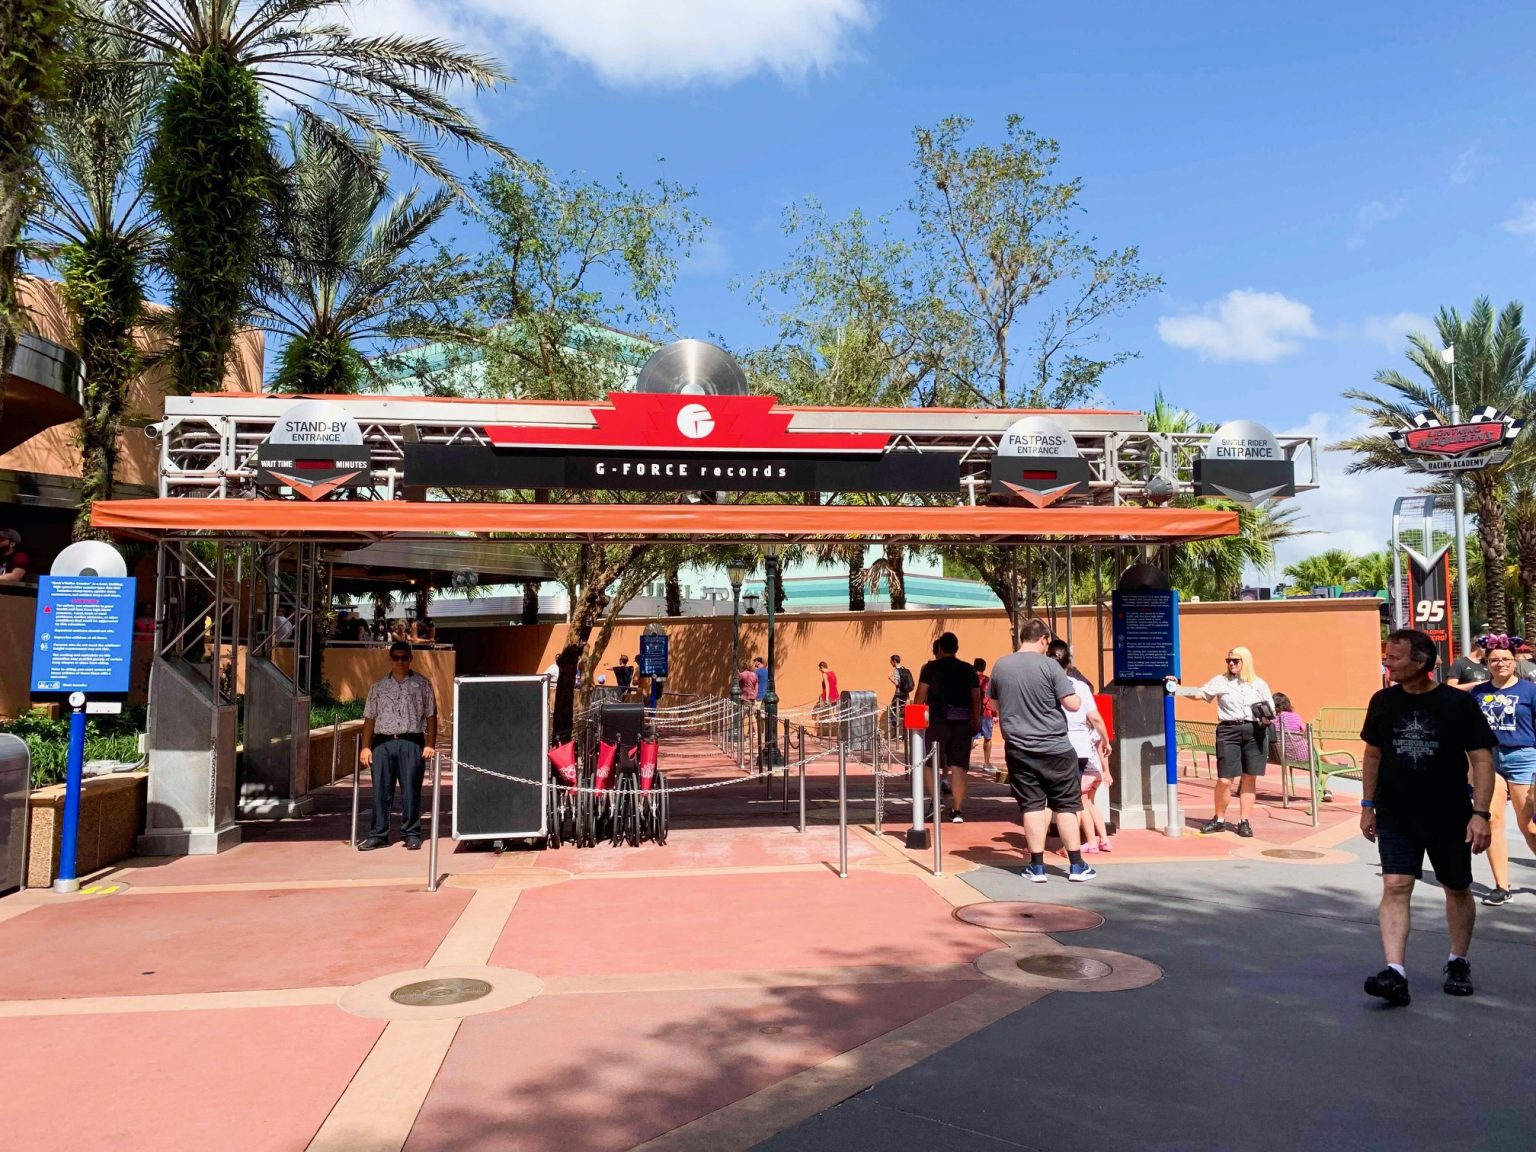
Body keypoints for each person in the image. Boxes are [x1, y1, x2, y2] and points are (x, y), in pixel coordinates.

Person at [1360, 628, 1494, 1006]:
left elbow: (1482, 761)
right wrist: (1367, 805)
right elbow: (1373, 755)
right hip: (1396, 813)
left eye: (1394, 657)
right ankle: (1395, 973)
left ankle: (1457, 960)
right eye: (1386, 656)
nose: (1387, 662)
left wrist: (1480, 814)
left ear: (1421, 662)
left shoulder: (1456, 703)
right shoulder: (1383, 701)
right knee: (1396, 885)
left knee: (1456, 887)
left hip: (1449, 813)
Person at [991, 620, 1092, 881]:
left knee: (1032, 805)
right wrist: (1078, 697)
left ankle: (1036, 867)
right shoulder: (1050, 665)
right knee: (1067, 805)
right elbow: (1071, 704)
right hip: (1056, 747)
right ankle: (1077, 866)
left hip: (1019, 748)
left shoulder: (1001, 665)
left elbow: (992, 704)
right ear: (1045, 639)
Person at [1167, 646, 1274, 838]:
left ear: (1246, 662)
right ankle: (1219, 819)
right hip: (1228, 730)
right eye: (1228, 660)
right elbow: (1200, 694)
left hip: (1255, 731)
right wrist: (1178, 688)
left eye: (1235, 660)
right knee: (1225, 779)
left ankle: (1244, 820)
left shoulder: (1259, 684)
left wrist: (1266, 716)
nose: (1231, 663)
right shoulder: (1220, 681)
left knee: (1249, 778)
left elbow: (1271, 710)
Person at [1471, 638, 1536, 907]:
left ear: (1515, 661)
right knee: (1493, 820)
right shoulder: (1478, 692)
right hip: (1488, 758)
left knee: (1529, 824)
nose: (1501, 663)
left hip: (1524, 756)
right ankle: (1501, 886)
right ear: (1486, 663)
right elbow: (1470, 731)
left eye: (1506, 659)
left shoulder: (1529, 691)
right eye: (1495, 659)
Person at [358, 641, 438, 852]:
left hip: (411, 741)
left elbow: (431, 716)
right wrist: (365, 747)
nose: (400, 662)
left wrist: (430, 743)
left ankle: (411, 833)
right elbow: (369, 718)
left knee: (411, 790)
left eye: (404, 657)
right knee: (380, 791)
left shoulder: (422, 684)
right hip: (383, 743)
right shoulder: (379, 686)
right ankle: (378, 834)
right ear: (391, 659)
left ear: (411, 658)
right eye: (396, 658)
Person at [1048, 640, 1113, 853]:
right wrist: (1105, 740)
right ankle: (1074, 844)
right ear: (1069, 663)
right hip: (1080, 748)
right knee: (1074, 798)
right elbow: (1095, 718)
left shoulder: (1044, 683)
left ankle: (1069, 845)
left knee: (1057, 799)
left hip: (1053, 745)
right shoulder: (1081, 687)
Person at [915, 632, 980, 822]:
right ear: (957, 648)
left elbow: (920, 694)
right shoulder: (968, 669)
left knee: (930, 764)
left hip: (937, 722)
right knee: (959, 766)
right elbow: (975, 698)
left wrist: (916, 717)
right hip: (962, 723)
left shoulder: (931, 668)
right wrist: (975, 720)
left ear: (940, 649)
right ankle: (957, 810)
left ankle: (936, 802)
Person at [1270, 692, 1328, 802]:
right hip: (1300, 756)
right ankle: (1326, 789)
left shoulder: (1270, 720)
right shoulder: (1294, 716)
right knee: (1318, 760)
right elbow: (1304, 732)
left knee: (1315, 752)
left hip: (1280, 755)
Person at [972, 657, 998, 773]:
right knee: (988, 738)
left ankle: (965, 761)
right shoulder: (987, 681)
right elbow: (992, 698)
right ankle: (986, 763)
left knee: (970, 738)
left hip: (974, 713)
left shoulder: (970, 680)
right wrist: (995, 713)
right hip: (987, 713)